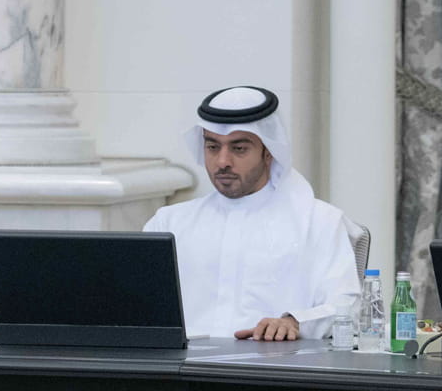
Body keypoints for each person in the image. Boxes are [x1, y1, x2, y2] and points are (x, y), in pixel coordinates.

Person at [143, 86, 361, 341]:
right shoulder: (169, 223)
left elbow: (348, 308)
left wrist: (295, 322)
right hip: (183, 363)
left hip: (276, 363)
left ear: (268, 152)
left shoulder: (319, 222)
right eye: (213, 147)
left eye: (239, 149)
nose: (222, 161)